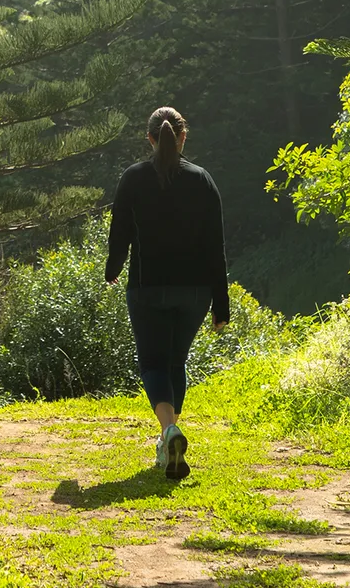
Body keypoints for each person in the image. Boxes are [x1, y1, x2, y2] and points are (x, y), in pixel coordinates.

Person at [104, 106, 229, 480]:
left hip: (147, 288)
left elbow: (120, 232)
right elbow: (215, 247)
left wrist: (113, 270)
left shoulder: (133, 178)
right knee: (175, 363)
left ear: (150, 139)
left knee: (154, 365)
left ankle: (168, 432)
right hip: (195, 292)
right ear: (183, 137)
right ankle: (168, 437)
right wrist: (221, 305)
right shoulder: (202, 180)